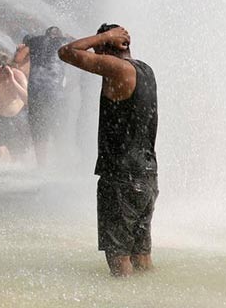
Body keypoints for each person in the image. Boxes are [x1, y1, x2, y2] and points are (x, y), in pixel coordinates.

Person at [58, 24, 158, 277]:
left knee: (119, 258)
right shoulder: (145, 69)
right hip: (146, 175)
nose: (93, 52)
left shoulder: (118, 70)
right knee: (141, 254)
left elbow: (66, 52)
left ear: (107, 46)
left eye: (98, 47)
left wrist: (103, 37)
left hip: (121, 177)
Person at [14, 26, 70, 165]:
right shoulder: (65, 41)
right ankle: (62, 162)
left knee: (39, 129)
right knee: (58, 127)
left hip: (36, 91)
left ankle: (42, 166)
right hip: (56, 92)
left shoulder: (34, 41)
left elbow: (18, 59)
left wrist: (21, 48)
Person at [0, 55, 31, 159]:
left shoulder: (18, 75)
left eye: (5, 71)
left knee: (19, 154)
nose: (2, 75)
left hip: (18, 117)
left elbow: (27, 100)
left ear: (11, 68)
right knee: (0, 153)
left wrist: (12, 80)